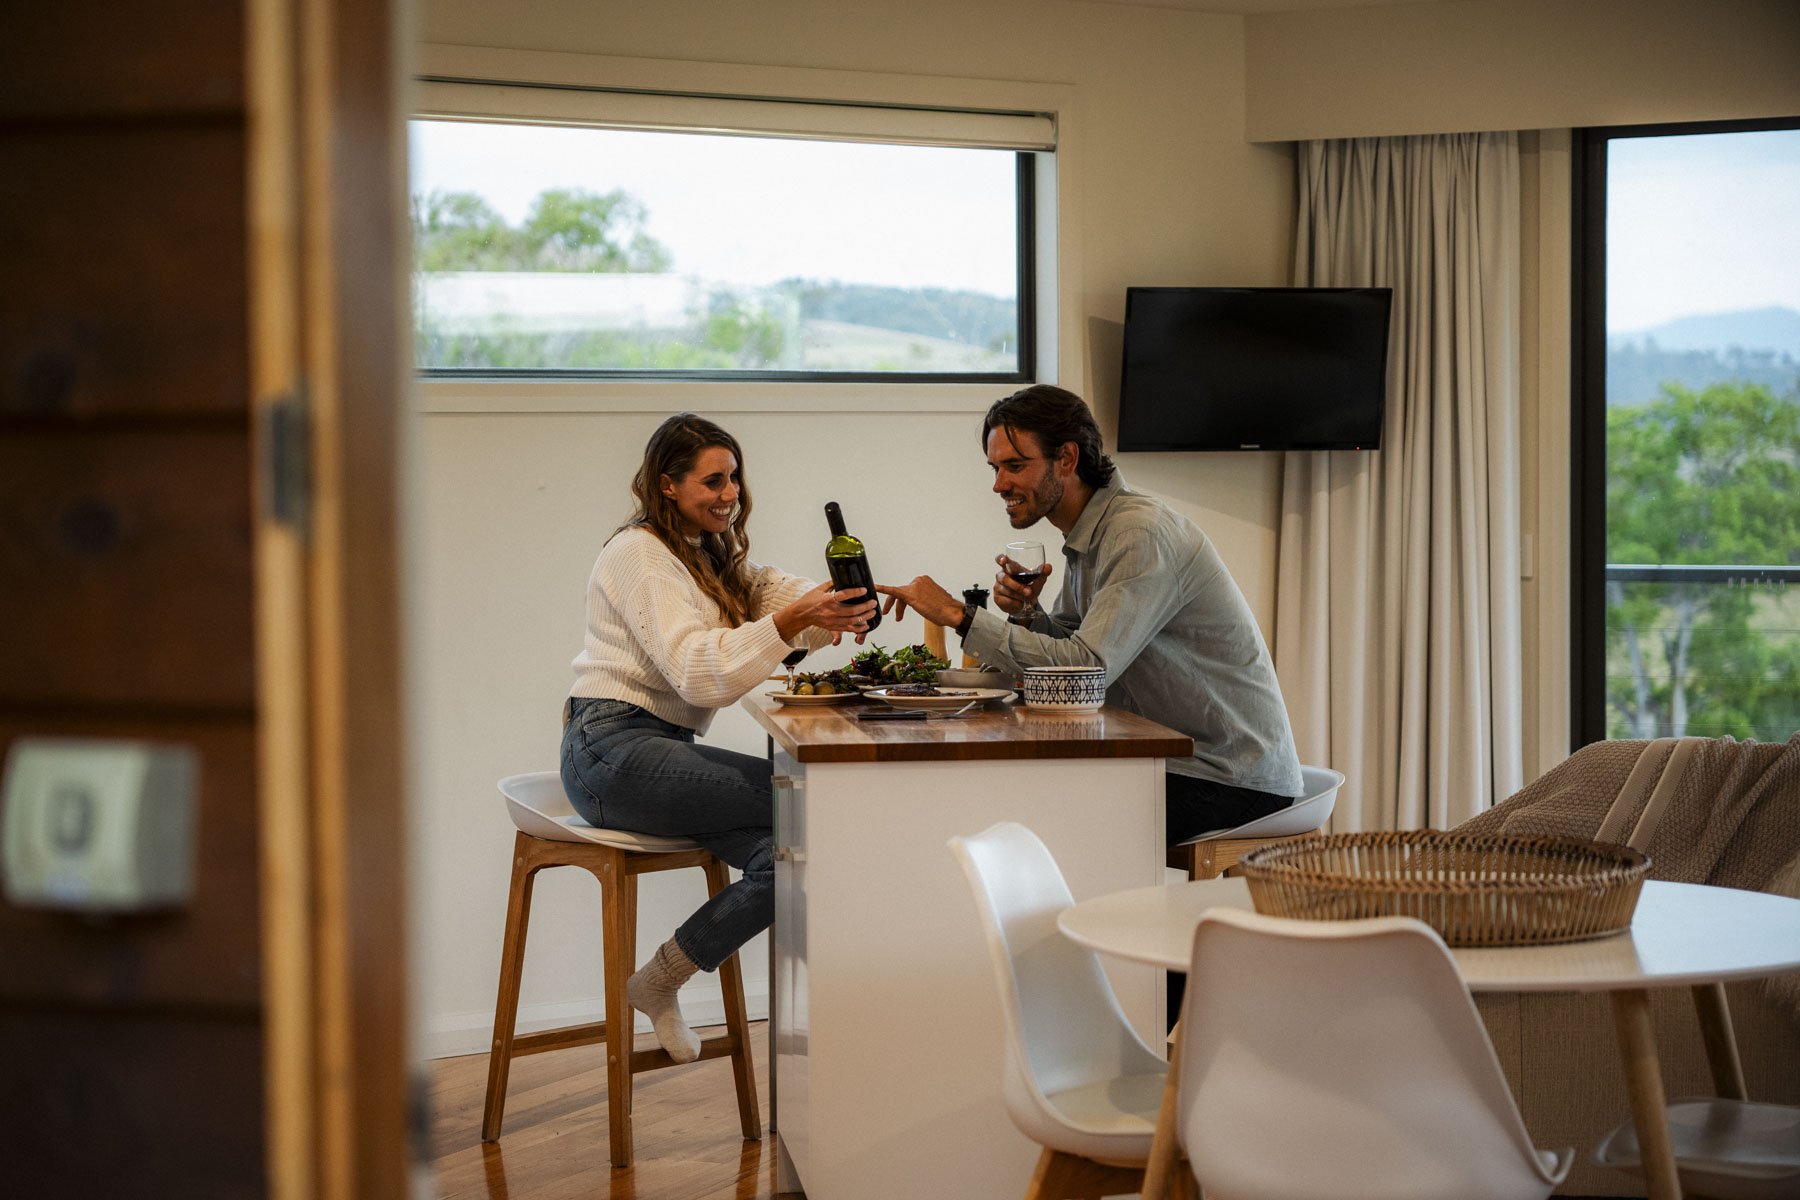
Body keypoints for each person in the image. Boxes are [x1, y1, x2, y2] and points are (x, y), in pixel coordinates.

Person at [561, 413, 876, 1063]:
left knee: (792, 853)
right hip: (609, 751)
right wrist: (796, 618)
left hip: (658, 748)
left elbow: (773, 594)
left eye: (734, 477)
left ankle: (660, 980)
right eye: (713, 481)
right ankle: (854, 993)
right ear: (668, 485)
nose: (730, 492)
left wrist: (835, 604)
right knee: (813, 805)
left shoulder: (708, 554)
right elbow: (697, 671)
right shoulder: (639, 554)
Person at [878, 384, 1303, 844]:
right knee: (1005, 796)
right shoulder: (1092, 535)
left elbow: (1085, 673)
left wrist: (958, 615)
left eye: (1015, 466)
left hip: (1226, 776)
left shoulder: (1137, 533)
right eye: (995, 468)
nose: (998, 485)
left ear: (1066, 458)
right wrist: (1029, 614)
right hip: (1174, 762)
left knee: (1028, 813)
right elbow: (1072, 645)